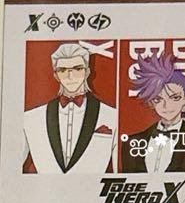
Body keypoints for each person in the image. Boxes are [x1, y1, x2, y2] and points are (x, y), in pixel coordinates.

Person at [22, 42, 117, 174]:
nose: (70, 76)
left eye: (77, 69)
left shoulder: (112, 116)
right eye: (63, 70)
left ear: (87, 72)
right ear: (56, 75)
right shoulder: (30, 118)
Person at [121, 54, 185, 173]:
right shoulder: (132, 143)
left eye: (175, 98)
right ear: (151, 102)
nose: (166, 106)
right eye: (158, 99)